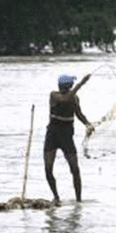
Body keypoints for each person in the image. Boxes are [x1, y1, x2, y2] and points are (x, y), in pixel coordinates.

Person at [44, 74, 94, 205]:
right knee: (48, 169)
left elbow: (78, 114)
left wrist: (88, 124)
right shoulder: (54, 95)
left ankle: (78, 201)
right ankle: (56, 197)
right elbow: (65, 99)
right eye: (71, 84)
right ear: (67, 85)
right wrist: (82, 83)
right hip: (52, 135)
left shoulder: (74, 98)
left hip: (66, 136)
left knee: (75, 169)